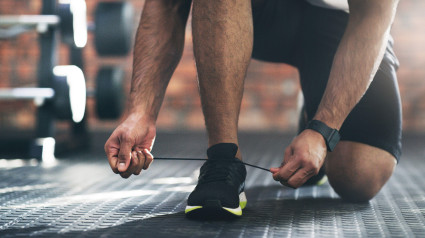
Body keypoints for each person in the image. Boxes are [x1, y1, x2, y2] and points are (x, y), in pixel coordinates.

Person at [104, 0, 402, 218]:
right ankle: (223, 160)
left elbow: (372, 21)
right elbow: (167, 5)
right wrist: (140, 111)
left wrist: (323, 130)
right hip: (254, 9)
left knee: (360, 175)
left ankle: (313, 114)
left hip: (344, 20)